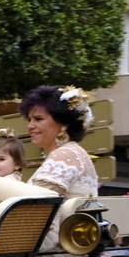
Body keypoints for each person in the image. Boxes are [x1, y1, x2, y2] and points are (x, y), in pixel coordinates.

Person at [20, 85, 100, 248]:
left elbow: (32, 209)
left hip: (55, 254)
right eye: (30, 120)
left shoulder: (65, 155)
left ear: (63, 123)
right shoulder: (71, 152)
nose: (30, 126)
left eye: (38, 119)